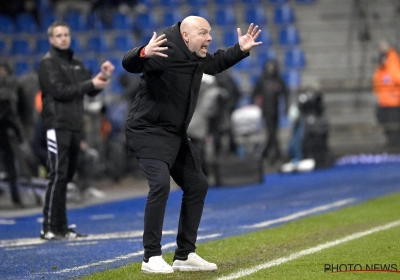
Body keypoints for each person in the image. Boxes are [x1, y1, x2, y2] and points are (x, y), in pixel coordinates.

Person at [122, 16, 261, 273]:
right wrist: (142, 52)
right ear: (186, 36)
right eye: (203, 33)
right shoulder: (163, 47)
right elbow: (128, 63)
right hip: (147, 130)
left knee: (197, 184)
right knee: (161, 184)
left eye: (209, 33)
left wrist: (240, 49)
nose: (209, 38)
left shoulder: (195, 54)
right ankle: (150, 257)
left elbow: (215, 64)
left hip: (174, 132)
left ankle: (184, 254)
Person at [38, 21, 114, 240]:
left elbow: (91, 92)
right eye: (58, 35)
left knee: (67, 176)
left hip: (74, 126)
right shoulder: (48, 64)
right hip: (56, 125)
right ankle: (48, 226)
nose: (63, 38)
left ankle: (61, 227)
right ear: (51, 39)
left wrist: (103, 77)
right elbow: (60, 91)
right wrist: (92, 83)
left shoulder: (77, 63)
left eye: (66, 34)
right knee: (57, 175)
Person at [252, 59, 289, 165]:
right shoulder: (262, 80)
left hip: (276, 110)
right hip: (266, 110)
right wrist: (254, 106)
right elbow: (254, 93)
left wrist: (286, 107)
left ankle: (270, 155)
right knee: (271, 133)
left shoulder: (278, 80)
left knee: (273, 133)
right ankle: (274, 154)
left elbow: (285, 94)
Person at [0, 61, 25, 208]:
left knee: (12, 166)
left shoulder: (14, 86)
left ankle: (16, 197)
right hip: (8, 128)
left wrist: (19, 129)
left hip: (8, 129)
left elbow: (21, 109)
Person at [373, 40, 400, 148]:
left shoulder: (392, 61)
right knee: (383, 120)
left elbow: (396, 78)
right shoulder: (382, 66)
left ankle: (394, 147)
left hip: (394, 101)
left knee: (393, 125)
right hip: (383, 101)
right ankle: (392, 144)